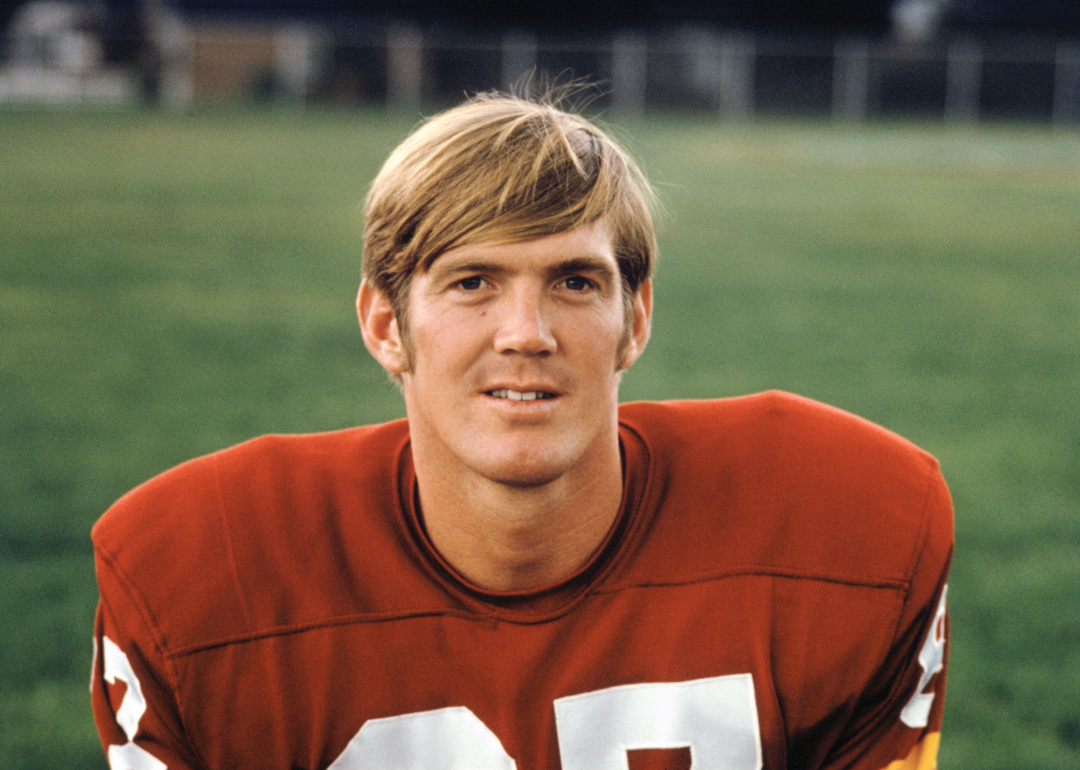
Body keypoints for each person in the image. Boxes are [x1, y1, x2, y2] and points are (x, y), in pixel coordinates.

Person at [91, 91, 952, 770]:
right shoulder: (203, 584)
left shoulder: (846, 532)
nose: (526, 332)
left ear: (635, 319)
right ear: (387, 326)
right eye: (472, 282)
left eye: (575, 281)